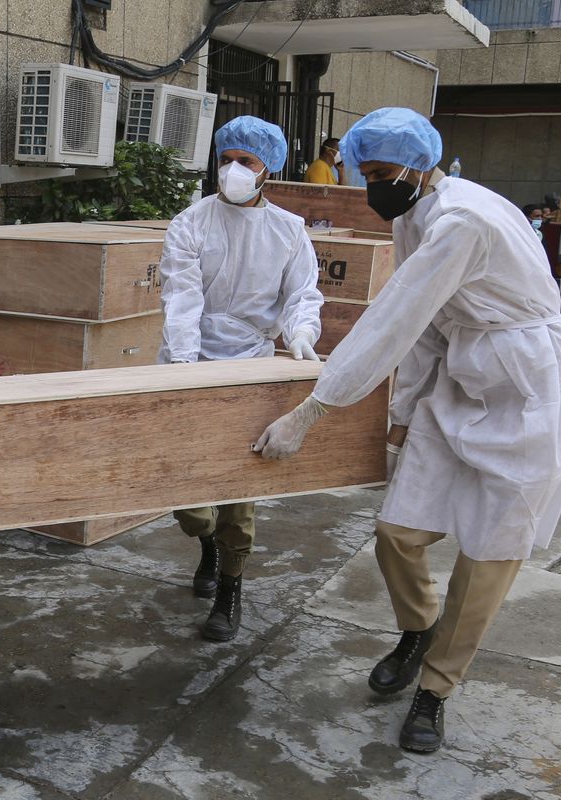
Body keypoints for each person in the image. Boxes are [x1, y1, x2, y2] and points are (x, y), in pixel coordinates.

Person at [254, 107, 561, 754]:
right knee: (397, 532)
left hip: (528, 388)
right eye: (365, 173)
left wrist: (314, 409)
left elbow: (393, 318)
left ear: (417, 162)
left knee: (487, 559)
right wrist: (402, 413)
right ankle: (418, 627)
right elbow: (429, 327)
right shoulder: (413, 212)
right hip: (461, 378)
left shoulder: (464, 220)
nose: (374, 187)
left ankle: (435, 690)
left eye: (380, 173)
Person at [159, 115, 323, 642]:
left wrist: (300, 333)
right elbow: (181, 298)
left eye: (245, 162)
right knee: (189, 497)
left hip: (252, 362)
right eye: (225, 158)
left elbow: (302, 294)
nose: (232, 169)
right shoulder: (190, 223)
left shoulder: (289, 231)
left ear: (267, 170)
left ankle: (231, 585)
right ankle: (205, 543)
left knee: (239, 492)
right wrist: (185, 367)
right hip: (191, 362)